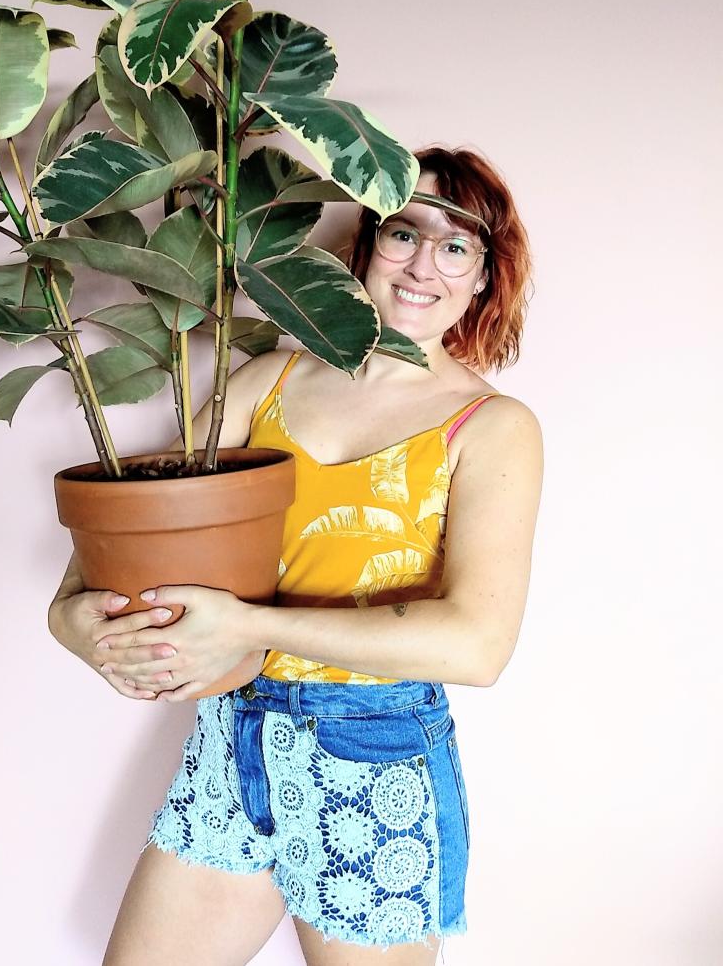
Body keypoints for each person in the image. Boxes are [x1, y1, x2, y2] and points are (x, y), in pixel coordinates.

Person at [48, 145, 544, 965]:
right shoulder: (267, 381)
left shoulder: (493, 428)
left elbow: (476, 645)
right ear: (364, 247)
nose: (425, 263)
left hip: (373, 754)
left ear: (486, 277)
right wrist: (74, 619)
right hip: (232, 737)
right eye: (404, 233)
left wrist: (245, 623)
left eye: (457, 245)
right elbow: (137, 522)